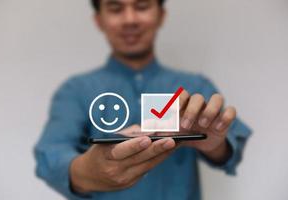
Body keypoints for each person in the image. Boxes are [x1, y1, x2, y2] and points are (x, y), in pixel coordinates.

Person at [34, 0, 252, 199]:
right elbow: (51, 153)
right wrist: (84, 172)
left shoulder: (196, 87)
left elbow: (234, 146)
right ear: (99, 20)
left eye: (142, 6)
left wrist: (216, 145)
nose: (130, 20)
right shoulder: (76, 90)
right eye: (115, 8)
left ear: (161, 15)